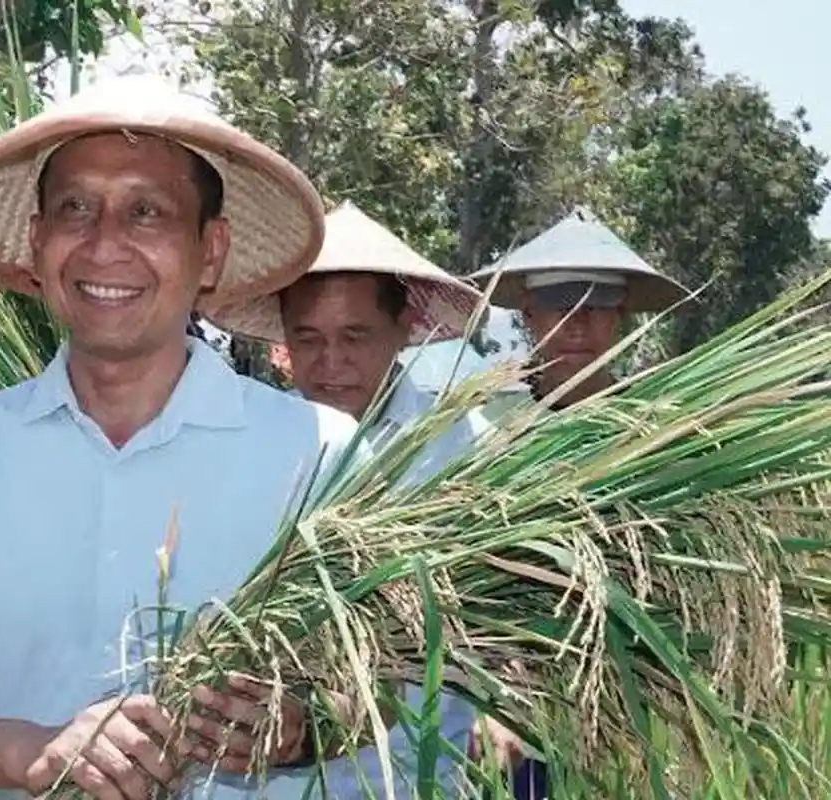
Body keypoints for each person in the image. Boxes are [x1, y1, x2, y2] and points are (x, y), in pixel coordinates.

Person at [0, 74, 373, 800]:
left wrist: (304, 726)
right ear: (37, 241)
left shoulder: (322, 453)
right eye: (75, 209)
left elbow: (397, 688)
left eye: (147, 212)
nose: (104, 244)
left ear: (210, 250)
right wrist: (34, 750)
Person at [206, 201, 491, 797]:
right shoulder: (250, 445)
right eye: (307, 338)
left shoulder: (462, 452)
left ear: (406, 325)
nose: (330, 364)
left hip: (408, 777)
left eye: (355, 337)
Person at [466, 205, 691, 799]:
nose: (577, 324)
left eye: (596, 306)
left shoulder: (660, 433)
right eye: (560, 306)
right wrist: (495, 700)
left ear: (619, 315)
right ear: (529, 315)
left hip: (638, 704)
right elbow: (471, 583)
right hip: (522, 706)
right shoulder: (492, 433)